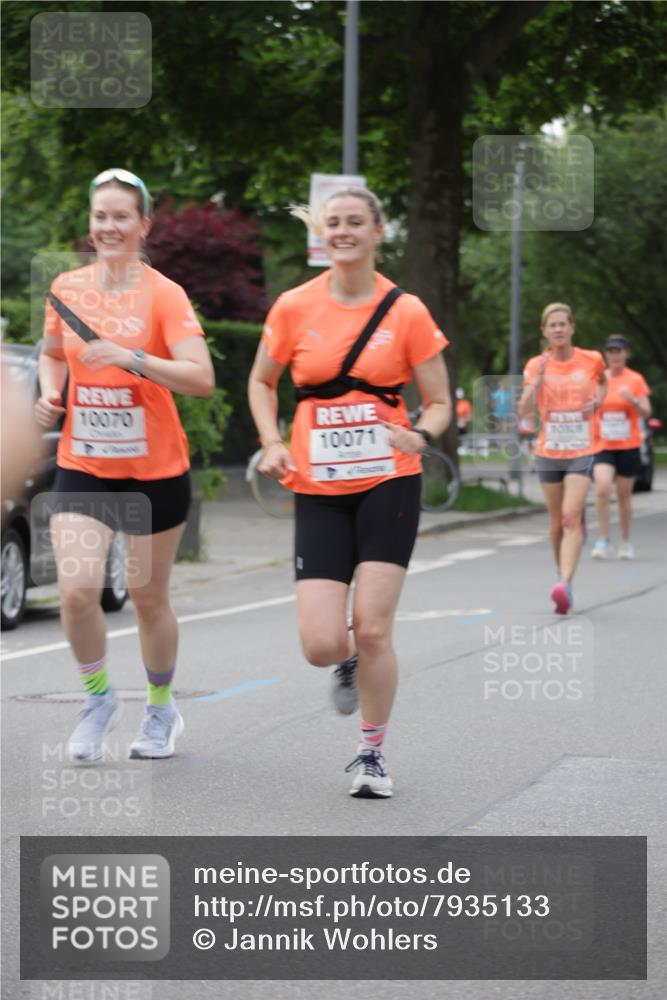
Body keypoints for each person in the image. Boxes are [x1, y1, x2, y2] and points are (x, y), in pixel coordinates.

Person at [248, 186, 451, 798]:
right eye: (333, 222)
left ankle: (372, 753)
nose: (342, 231)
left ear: (377, 232)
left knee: (373, 627)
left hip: (390, 481)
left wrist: (420, 434)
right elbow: (262, 382)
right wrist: (271, 441)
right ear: (322, 233)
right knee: (321, 644)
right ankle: (348, 660)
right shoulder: (294, 306)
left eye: (355, 222)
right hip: (318, 486)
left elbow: (439, 401)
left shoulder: (406, 311)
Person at [35, 168, 215, 763]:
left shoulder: (164, 295)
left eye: (121, 216)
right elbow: (52, 353)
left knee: (147, 597)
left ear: (144, 226)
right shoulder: (66, 287)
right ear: (90, 225)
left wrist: (134, 357)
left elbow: (201, 378)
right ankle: (98, 701)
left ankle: (161, 708)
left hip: (154, 470)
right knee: (76, 592)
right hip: (84, 463)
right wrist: (50, 391)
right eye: (100, 216)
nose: (109, 227)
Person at [518, 303, 606, 614]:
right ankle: (561, 574)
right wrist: (537, 381)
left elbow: (603, 383)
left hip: (582, 449)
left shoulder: (592, 359)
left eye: (562, 324)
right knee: (557, 522)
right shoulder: (535, 365)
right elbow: (524, 410)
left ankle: (565, 584)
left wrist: (598, 401)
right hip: (549, 451)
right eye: (552, 325)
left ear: (572, 327)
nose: (558, 329)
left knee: (571, 516)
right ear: (544, 331)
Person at [591, 335, 651, 560]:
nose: (615, 356)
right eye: (611, 352)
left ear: (626, 353)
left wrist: (634, 401)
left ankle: (625, 541)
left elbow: (647, 412)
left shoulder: (635, 379)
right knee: (602, 489)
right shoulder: (599, 380)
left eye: (619, 351)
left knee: (623, 495)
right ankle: (603, 539)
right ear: (606, 355)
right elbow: (590, 406)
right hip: (603, 444)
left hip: (628, 445)